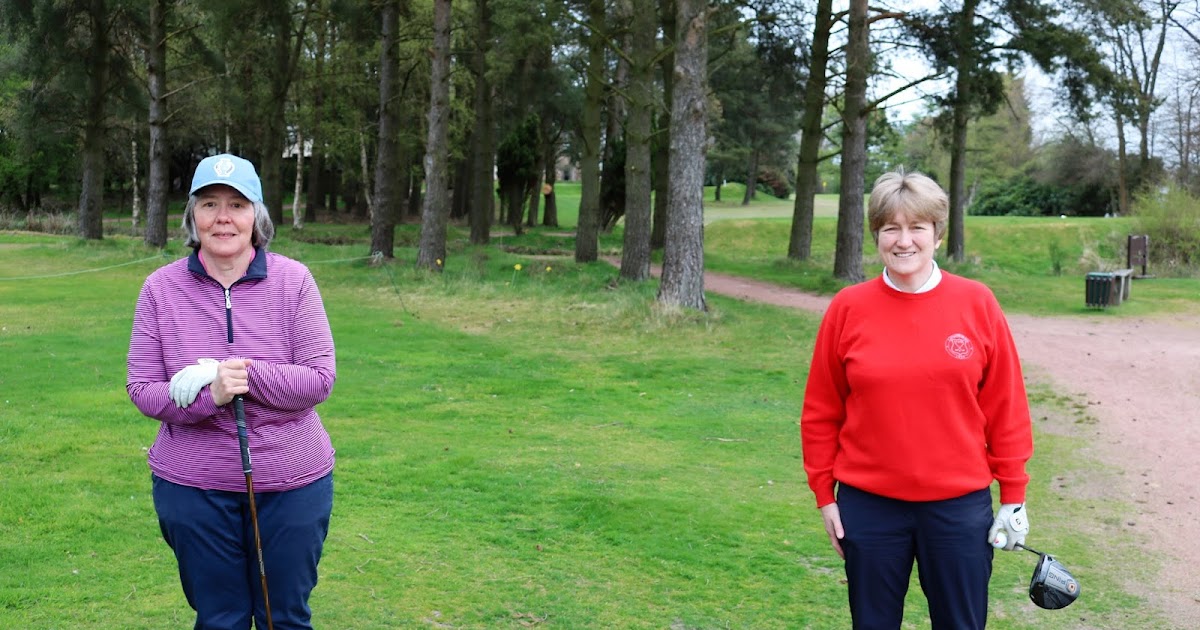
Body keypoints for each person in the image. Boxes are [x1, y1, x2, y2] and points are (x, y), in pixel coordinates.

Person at [799, 169, 1033, 629]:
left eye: (916, 228)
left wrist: (1013, 496)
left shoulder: (977, 303)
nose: (903, 241)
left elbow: (1005, 406)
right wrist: (825, 496)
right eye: (891, 228)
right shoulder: (848, 307)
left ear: (937, 234)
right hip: (869, 506)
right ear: (876, 235)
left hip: (958, 507)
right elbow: (821, 412)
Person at [127, 153, 337, 629]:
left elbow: (319, 378)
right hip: (192, 488)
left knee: (283, 617)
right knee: (219, 618)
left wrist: (235, 373)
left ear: (256, 216)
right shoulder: (159, 289)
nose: (223, 217)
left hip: (292, 485)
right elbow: (142, 388)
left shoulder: (295, 282)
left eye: (237, 204)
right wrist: (210, 396)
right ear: (192, 216)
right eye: (209, 204)